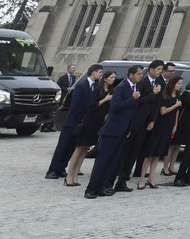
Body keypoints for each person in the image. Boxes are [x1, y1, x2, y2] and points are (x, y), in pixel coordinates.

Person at [85, 64, 143, 199]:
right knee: (102, 160)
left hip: (123, 131)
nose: (141, 76)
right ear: (131, 75)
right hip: (112, 130)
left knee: (113, 161)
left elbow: (133, 111)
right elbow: (116, 106)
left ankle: (103, 186)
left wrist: (129, 129)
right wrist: (132, 99)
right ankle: (91, 188)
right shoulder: (121, 88)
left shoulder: (137, 88)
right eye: (139, 74)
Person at [47, 62, 101, 179]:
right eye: (99, 72)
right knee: (63, 146)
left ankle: (61, 167)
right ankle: (53, 169)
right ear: (93, 72)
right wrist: (83, 118)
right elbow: (75, 105)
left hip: (82, 122)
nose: (100, 75)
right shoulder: (82, 85)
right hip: (73, 121)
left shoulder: (96, 86)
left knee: (72, 146)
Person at [116, 59, 161, 190]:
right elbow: (139, 102)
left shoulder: (158, 83)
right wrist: (153, 94)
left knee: (135, 152)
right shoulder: (142, 83)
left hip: (146, 123)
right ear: (151, 70)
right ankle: (117, 176)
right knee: (126, 152)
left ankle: (123, 180)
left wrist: (153, 120)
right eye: (158, 69)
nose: (141, 75)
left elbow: (157, 104)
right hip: (136, 122)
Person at [65, 71, 116, 188]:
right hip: (89, 122)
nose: (113, 79)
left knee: (86, 149)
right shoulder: (98, 90)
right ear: (105, 79)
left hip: (98, 123)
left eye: (114, 77)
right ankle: (69, 175)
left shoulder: (111, 92)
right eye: (111, 77)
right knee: (79, 148)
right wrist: (105, 99)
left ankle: (76, 174)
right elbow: (92, 105)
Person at [137, 75, 183, 188]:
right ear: (173, 83)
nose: (180, 86)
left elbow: (177, 111)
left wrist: (176, 124)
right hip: (159, 126)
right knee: (150, 154)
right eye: (178, 84)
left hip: (168, 127)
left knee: (157, 155)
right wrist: (175, 105)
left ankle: (151, 178)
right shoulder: (164, 95)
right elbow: (163, 111)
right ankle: (142, 178)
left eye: (181, 84)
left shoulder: (177, 95)